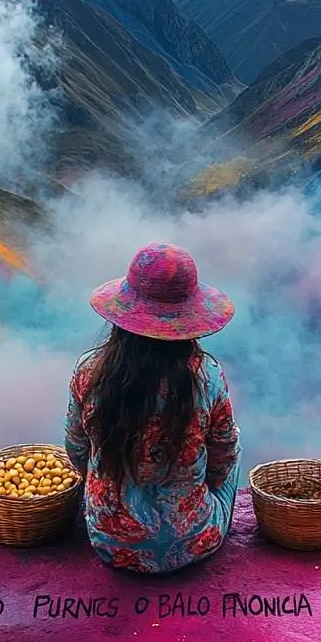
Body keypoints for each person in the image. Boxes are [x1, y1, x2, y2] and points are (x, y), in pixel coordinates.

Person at [67, 243, 241, 574]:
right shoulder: (208, 376)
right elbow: (223, 458)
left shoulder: (88, 371)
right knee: (234, 444)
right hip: (192, 542)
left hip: (111, 543)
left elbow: (76, 450)